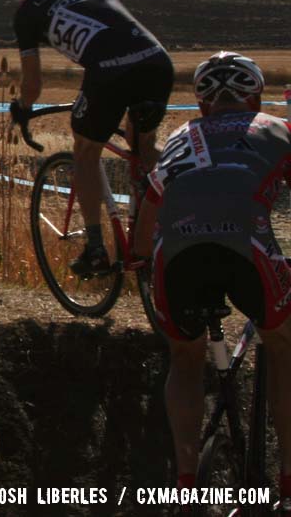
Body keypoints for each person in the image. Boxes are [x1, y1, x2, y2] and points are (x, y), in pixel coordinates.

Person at [132, 52, 291, 502]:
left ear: (202, 105)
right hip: (247, 246)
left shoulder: (182, 136)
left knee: (184, 358)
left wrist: (139, 261)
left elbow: (150, 205)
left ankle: (185, 485)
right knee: (282, 346)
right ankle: (288, 484)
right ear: (256, 96)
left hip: (176, 255)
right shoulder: (277, 128)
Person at [3, 0, 173, 277]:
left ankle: (95, 248)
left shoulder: (27, 13)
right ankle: (162, 219)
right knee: (143, 144)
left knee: (85, 149)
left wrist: (22, 107)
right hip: (157, 61)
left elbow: (33, 85)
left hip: (110, 75)